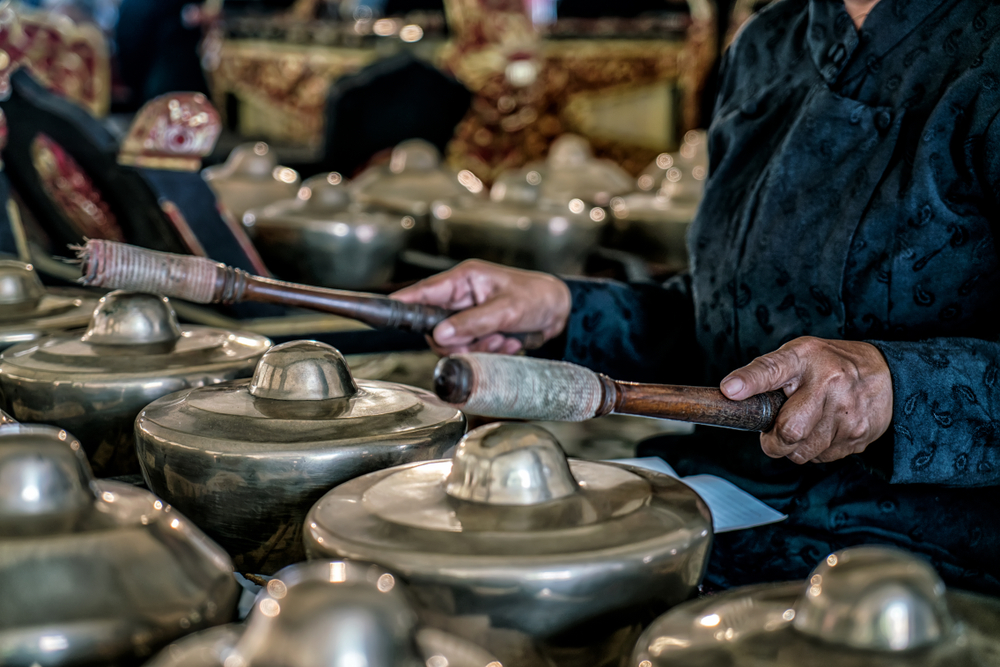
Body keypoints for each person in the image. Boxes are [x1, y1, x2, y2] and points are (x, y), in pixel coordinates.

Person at [395, 0, 1000, 593]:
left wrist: (895, 385)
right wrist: (564, 307)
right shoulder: (769, 43)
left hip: (913, 560)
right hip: (718, 498)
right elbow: (730, 325)